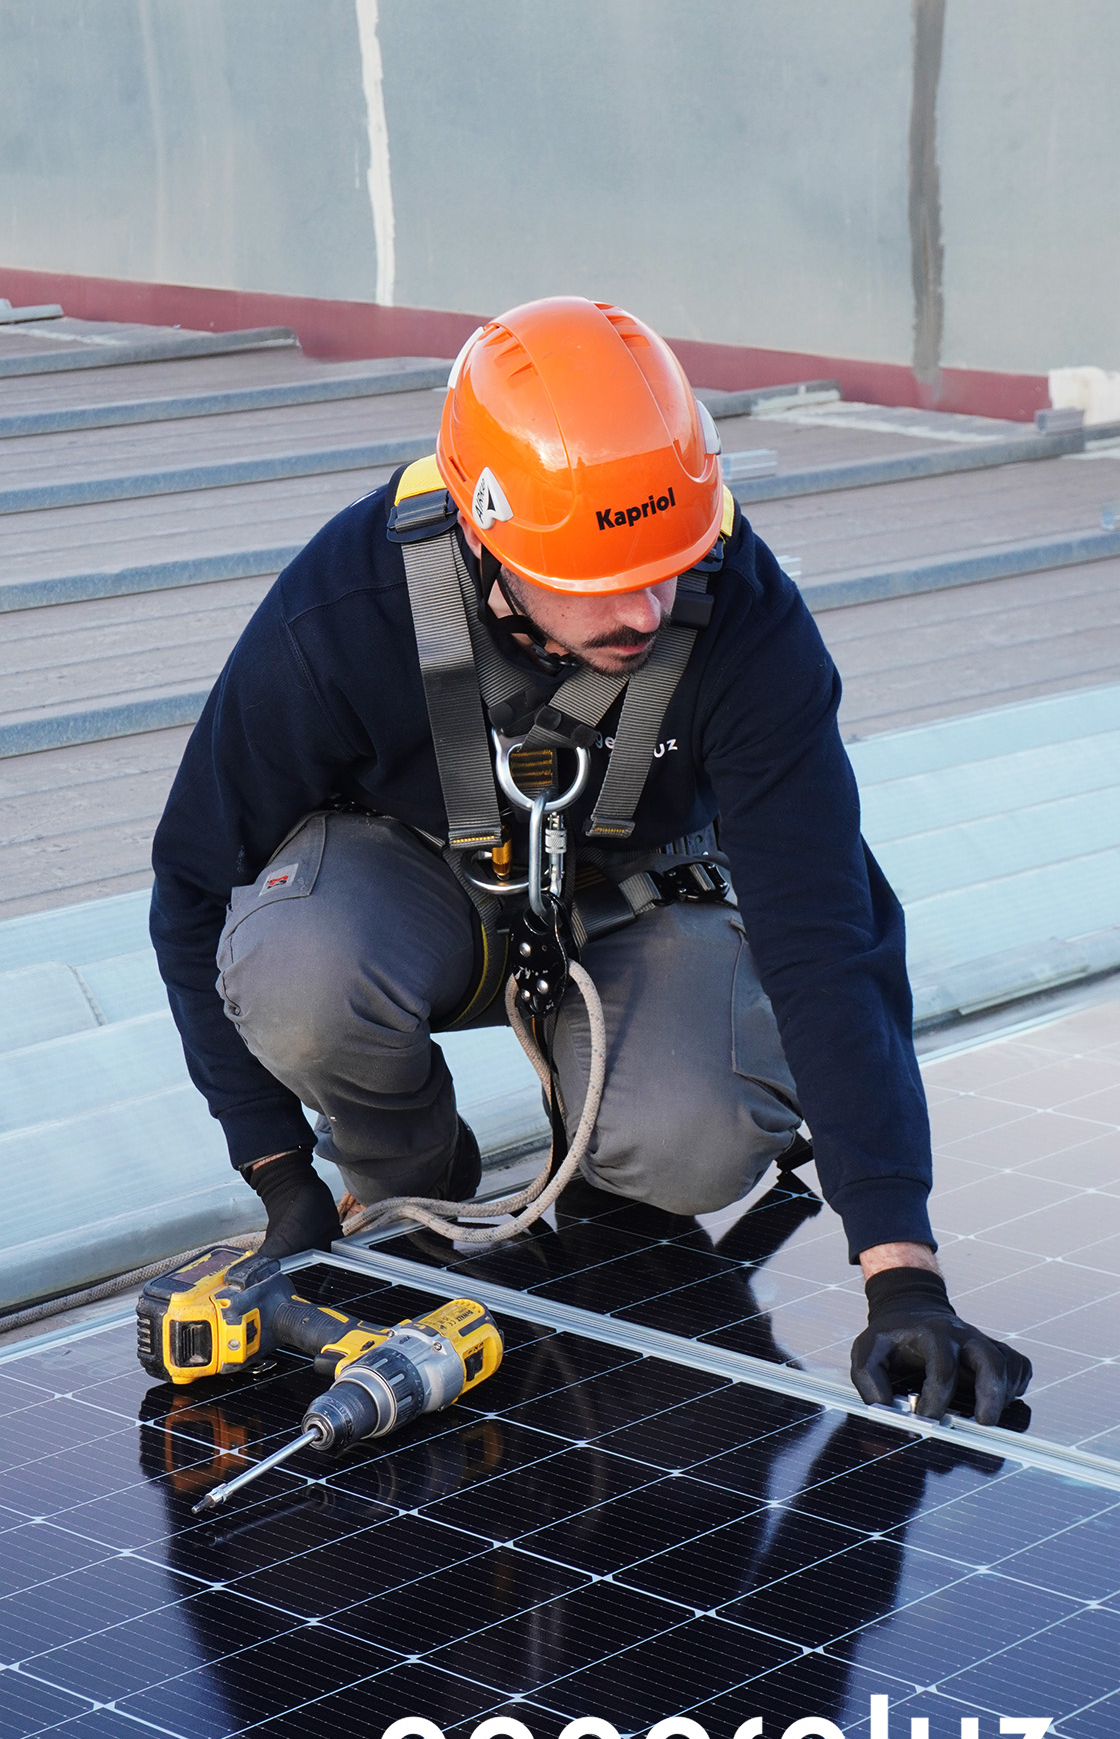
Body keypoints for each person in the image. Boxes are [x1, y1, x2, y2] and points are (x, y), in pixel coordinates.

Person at [150, 295, 1031, 1426]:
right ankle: (411, 1190)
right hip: (409, 892)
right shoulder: (347, 612)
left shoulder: (746, 621)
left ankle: (603, 1184)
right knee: (295, 968)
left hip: (637, 896)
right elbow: (190, 888)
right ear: (486, 538)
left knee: (689, 1144)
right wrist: (281, 1180)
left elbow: (827, 941)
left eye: (668, 568)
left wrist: (900, 1270)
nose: (642, 607)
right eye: (594, 579)